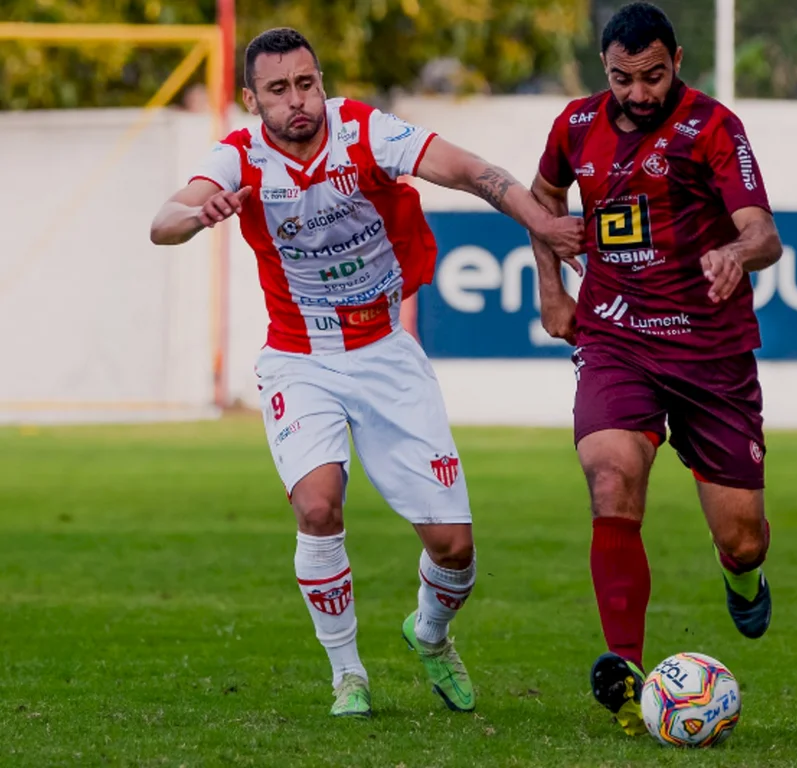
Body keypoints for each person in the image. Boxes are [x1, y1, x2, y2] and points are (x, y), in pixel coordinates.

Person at [150, 27, 583, 718]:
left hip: (385, 354)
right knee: (317, 506)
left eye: (306, 83)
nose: (298, 101)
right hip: (299, 358)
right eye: (278, 90)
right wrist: (198, 215)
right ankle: (347, 673)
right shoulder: (238, 157)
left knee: (456, 550)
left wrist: (546, 225)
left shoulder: (363, 132)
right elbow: (163, 220)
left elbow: (473, 173)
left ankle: (430, 634)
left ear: (321, 80)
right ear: (250, 99)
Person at [528, 2, 783, 736]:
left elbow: (762, 230)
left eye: (653, 76)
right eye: (622, 79)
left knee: (743, 536)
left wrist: (736, 253)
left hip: (711, 352)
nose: (638, 94)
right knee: (610, 476)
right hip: (617, 339)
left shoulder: (713, 128)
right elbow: (543, 203)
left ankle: (743, 578)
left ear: (676, 60)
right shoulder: (576, 126)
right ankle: (626, 674)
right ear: (602, 69)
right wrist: (553, 286)